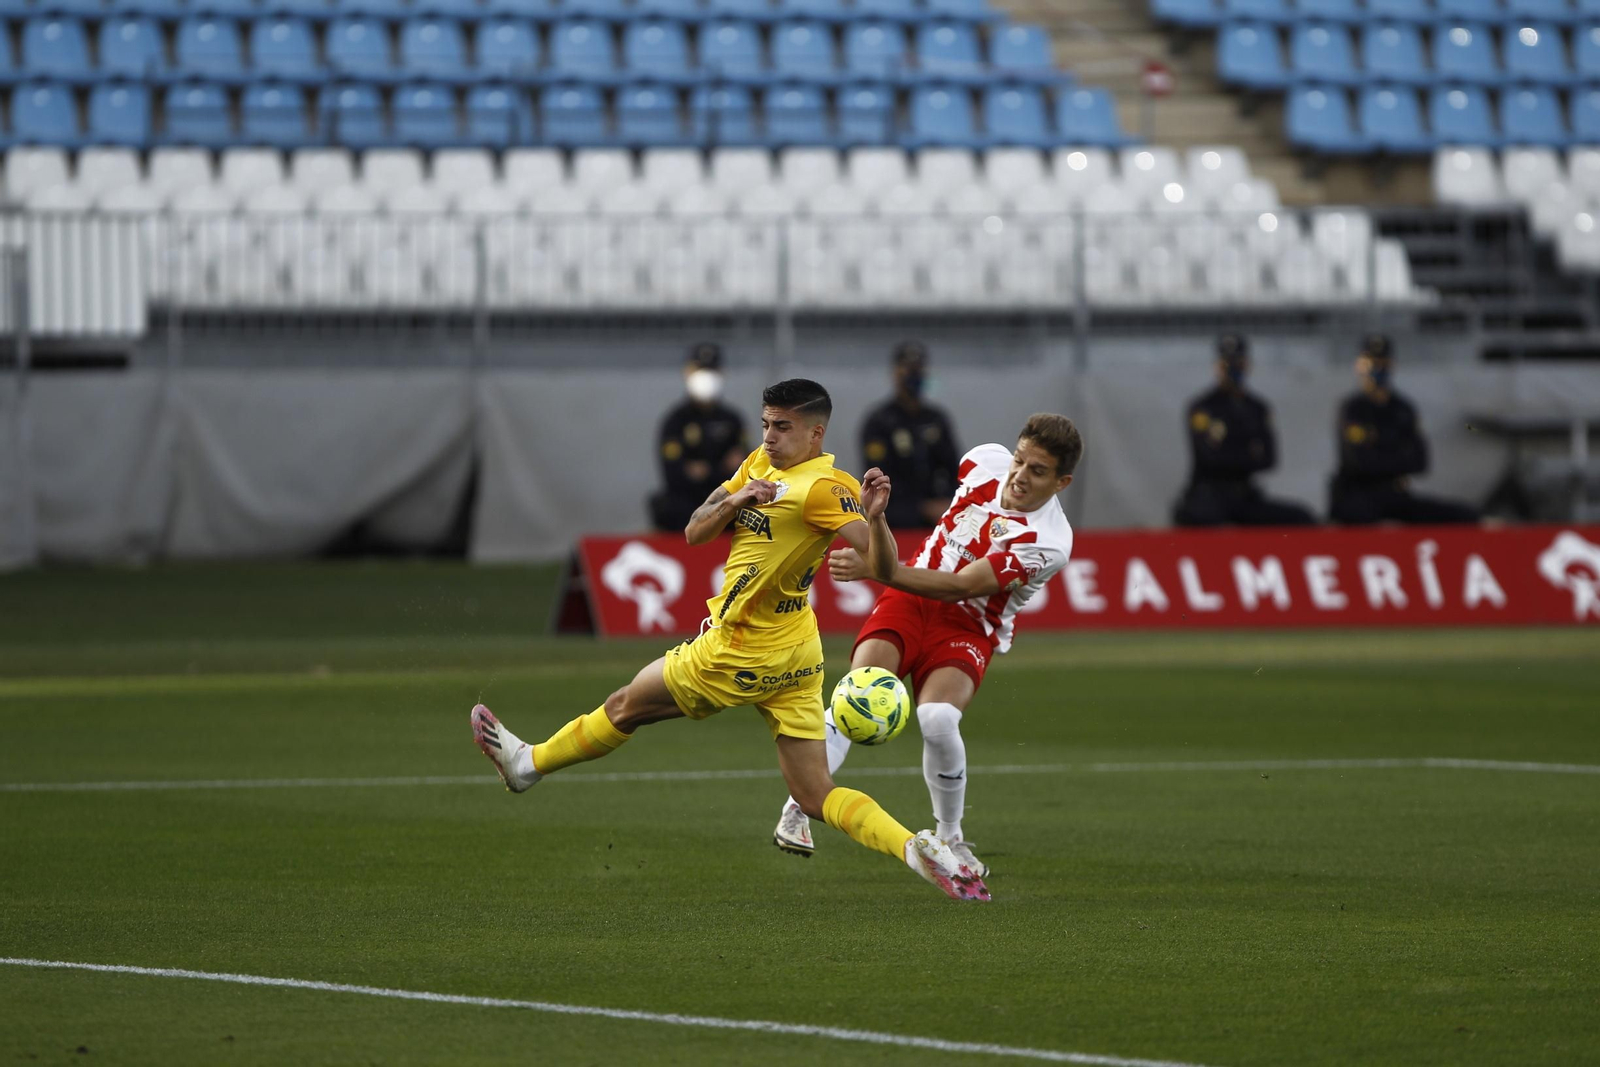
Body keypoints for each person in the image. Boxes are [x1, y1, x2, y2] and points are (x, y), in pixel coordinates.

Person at [472, 379, 991, 902]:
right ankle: (912, 848)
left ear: (816, 434)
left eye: (782, 427)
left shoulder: (825, 489)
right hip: (796, 653)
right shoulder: (759, 465)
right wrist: (736, 498)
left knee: (625, 706)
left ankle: (527, 766)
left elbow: (884, 566)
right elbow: (695, 531)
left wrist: (874, 520)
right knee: (815, 794)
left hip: (739, 649)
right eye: (765, 424)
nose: (769, 436)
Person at [771, 413, 1083, 879]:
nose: (1019, 475)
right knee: (858, 689)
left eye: (1037, 471)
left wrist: (879, 568)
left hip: (968, 623)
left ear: (1061, 483)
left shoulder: (1049, 541)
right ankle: (798, 807)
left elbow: (961, 587)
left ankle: (951, 837)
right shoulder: (983, 460)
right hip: (910, 600)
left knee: (938, 718)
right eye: (1020, 460)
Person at [1329, 334, 1479, 525]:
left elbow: (1420, 461)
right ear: (1359, 365)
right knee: (1359, 517)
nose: (1377, 368)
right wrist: (1396, 451)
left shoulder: (1403, 408)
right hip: (1358, 496)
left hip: (1396, 495)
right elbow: (1359, 462)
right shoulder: (1353, 408)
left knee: (1464, 515)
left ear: (1391, 364)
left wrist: (1379, 445)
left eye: (1382, 362)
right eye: (1371, 362)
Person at [1172, 334, 1317, 527]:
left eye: (1238, 362)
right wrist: (1248, 451)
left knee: (1301, 517)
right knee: (1197, 518)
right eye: (1227, 363)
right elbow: (1209, 458)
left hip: (1245, 496)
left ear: (1247, 365)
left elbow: (1269, 459)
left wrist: (1228, 449)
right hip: (1208, 496)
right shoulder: (1203, 407)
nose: (1233, 368)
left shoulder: (1257, 407)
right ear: (1217, 366)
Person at [859, 340, 961, 529]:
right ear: (895, 373)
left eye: (918, 369)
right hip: (894, 516)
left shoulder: (936, 419)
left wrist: (948, 501)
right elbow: (876, 476)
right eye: (907, 369)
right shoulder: (879, 421)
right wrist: (922, 507)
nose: (913, 374)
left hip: (936, 517)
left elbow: (954, 469)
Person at [649, 343, 748, 533]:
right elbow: (674, 474)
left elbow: (743, 469)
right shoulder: (676, 421)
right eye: (700, 371)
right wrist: (720, 469)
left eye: (711, 371)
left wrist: (705, 472)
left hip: (725, 501)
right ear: (687, 373)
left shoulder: (732, 420)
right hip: (687, 503)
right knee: (669, 506)